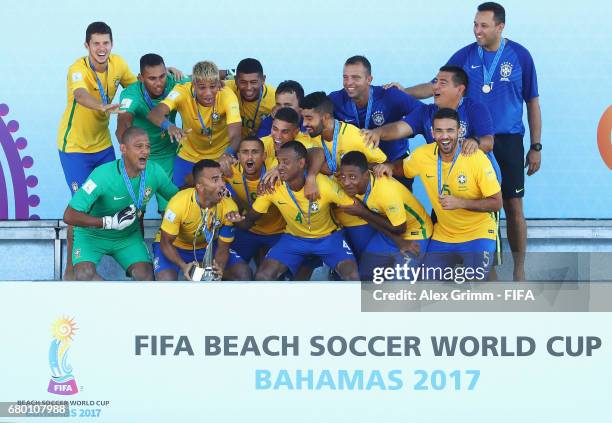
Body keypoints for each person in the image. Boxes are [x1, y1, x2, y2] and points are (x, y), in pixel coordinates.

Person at [392, 3, 541, 280]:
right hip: (472, 140)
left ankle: (520, 272)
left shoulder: (520, 56)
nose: (477, 30)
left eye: (483, 25)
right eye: (475, 24)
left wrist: (536, 145)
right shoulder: (465, 55)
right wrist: (404, 92)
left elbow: (532, 101)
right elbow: (436, 85)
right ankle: (482, 268)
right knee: (470, 197)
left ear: (500, 27)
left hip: (507, 140)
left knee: (513, 205)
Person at [375, 109, 502, 280]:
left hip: (478, 233)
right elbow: (403, 168)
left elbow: (496, 203)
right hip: (445, 234)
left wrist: (461, 203)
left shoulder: (476, 158)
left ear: (459, 132)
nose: (445, 136)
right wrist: (389, 167)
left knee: (477, 279)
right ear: (432, 133)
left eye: (450, 130)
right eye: (439, 131)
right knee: (428, 281)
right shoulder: (423, 154)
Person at [56, 22, 137, 280]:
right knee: (81, 206)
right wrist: (101, 106)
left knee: (108, 200)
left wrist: (166, 74)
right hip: (75, 149)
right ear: (87, 46)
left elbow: (136, 87)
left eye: (105, 43)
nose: (101, 48)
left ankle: (97, 267)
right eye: (96, 43)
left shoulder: (118, 64)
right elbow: (80, 95)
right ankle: (71, 269)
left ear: (111, 44)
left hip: (102, 146)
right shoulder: (77, 69)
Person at [63, 127, 179, 281]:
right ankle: (112, 301)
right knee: (84, 275)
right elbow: (69, 215)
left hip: (127, 236)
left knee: (146, 276)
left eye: (148, 146)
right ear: (123, 149)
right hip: (92, 235)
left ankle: (119, 300)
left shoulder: (155, 172)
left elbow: (178, 198)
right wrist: (107, 222)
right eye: (139, 146)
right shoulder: (102, 175)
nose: (145, 151)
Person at [235, 142, 360, 281]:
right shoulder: (272, 186)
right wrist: (233, 219)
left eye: (285, 162)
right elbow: (251, 218)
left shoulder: (323, 184)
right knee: (263, 276)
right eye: (279, 162)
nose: (279, 167)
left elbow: (354, 206)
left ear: (301, 163)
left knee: (352, 277)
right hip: (294, 238)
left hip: (328, 238)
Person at [336, 152, 432, 279]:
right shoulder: (356, 185)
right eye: (343, 177)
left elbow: (400, 229)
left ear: (366, 175)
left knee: (398, 287)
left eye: (352, 177)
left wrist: (362, 212)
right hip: (389, 232)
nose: (346, 182)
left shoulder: (386, 193)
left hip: (415, 233)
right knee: (365, 274)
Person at [147, 61, 242, 187]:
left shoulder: (227, 95)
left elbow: (235, 134)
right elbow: (154, 113)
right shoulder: (182, 91)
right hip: (188, 155)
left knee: (225, 198)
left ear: (219, 84)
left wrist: (227, 153)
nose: (208, 93)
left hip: (221, 156)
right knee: (181, 195)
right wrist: (169, 126)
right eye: (202, 87)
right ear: (194, 84)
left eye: (213, 87)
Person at [154, 160, 250, 281]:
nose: (223, 185)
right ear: (199, 186)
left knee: (243, 273)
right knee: (166, 280)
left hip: (206, 247)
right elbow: (166, 242)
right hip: (175, 246)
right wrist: (184, 267)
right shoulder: (178, 203)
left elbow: (223, 247)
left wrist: (218, 269)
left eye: (222, 178)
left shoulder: (229, 207)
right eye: (215, 180)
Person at [117, 53, 188, 213]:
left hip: (167, 155)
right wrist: (131, 155)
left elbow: (202, 78)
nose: (159, 83)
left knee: (170, 210)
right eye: (152, 78)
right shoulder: (130, 94)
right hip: (139, 156)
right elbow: (122, 126)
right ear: (141, 78)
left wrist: (229, 75)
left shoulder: (175, 82)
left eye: (162, 76)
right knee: (134, 213)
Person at [329, 55, 423, 165]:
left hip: (394, 164)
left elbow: (423, 114)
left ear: (369, 79)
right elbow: (314, 112)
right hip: (359, 168)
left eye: (355, 77)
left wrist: (393, 130)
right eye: (345, 77)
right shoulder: (336, 99)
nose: (349, 82)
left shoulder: (389, 95)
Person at [300, 91, 387, 200]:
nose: (304, 124)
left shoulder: (356, 136)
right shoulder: (308, 137)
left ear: (326, 117)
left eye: (309, 118)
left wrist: (346, 169)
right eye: (303, 118)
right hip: (334, 203)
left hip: (361, 202)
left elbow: (381, 165)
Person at [224, 137, 285, 270]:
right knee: (228, 270)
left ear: (264, 156)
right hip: (249, 232)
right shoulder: (230, 170)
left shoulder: (276, 167)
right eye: (245, 152)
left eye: (255, 152)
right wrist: (219, 161)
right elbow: (197, 177)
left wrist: (280, 168)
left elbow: (308, 155)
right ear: (238, 156)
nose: (250, 157)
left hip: (277, 232)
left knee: (267, 276)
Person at [225, 58, 276, 138]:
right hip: (233, 142)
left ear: (263, 80)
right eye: (243, 82)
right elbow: (206, 77)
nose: (248, 88)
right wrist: (228, 72)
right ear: (235, 80)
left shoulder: (275, 98)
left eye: (253, 82)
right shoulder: (227, 88)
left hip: (261, 145)